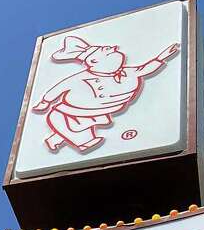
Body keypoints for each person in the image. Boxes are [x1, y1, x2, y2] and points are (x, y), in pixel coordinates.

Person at [31, 35, 180, 154]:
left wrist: (161, 57)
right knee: (70, 125)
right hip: (69, 111)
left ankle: (55, 140)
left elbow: (145, 69)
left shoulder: (128, 72)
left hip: (99, 110)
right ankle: (82, 144)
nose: (114, 48)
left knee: (83, 125)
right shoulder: (81, 77)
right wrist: (45, 102)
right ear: (94, 61)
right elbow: (59, 88)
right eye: (108, 51)